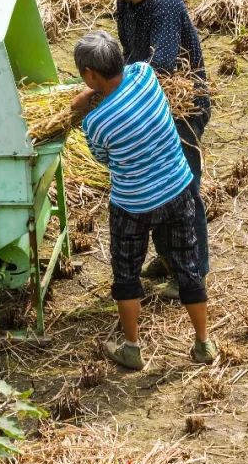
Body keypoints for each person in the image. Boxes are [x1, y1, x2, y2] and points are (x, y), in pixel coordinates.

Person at [71, 31, 217, 371]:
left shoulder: (95, 122)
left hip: (133, 205)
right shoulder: (145, 75)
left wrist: (83, 105)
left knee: (126, 273)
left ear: (90, 75)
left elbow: (103, 158)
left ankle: (132, 348)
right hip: (178, 188)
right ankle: (203, 343)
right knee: (187, 265)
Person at [101, 0, 210, 301]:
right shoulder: (126, 3)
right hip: (151, 103)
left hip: (181, 107)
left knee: (182, 187)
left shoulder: (164, 4)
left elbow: (159, 63)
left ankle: (192, 272)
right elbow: (131, 54)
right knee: (157, 183)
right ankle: (168, 258)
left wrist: (110, 91)